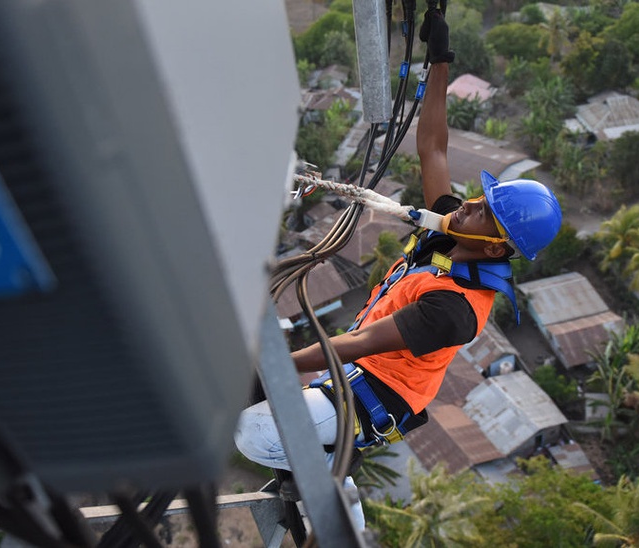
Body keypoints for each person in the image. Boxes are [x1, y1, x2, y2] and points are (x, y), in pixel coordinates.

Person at [234, 7, 562, 530]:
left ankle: (333, 480)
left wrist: (272, 364)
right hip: (354, 374)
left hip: (376, 399)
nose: (471, 203)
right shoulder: (450, 235)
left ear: (497, 248)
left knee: (249, 432)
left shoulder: (455, 309)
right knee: (252, 392)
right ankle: (318, 457)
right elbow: (433, 146)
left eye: (486, 212)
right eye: (480, 197)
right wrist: (440, 60)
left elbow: (355, 346)